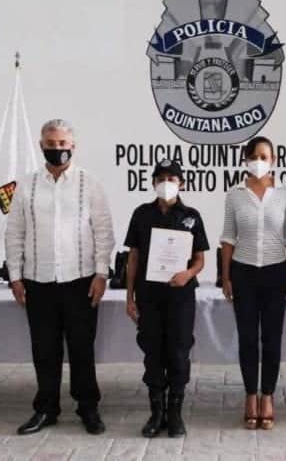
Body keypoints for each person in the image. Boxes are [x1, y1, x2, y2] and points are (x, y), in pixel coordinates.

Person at [5, 119, 114, 436]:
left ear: (73, 147)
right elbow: (14, 232)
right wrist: (14, 275)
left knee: (82, 349)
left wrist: (102, 273)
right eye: (51, 144)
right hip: (38, 281)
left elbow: (103, 232)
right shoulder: (25, 185)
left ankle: (88, 408)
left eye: (63, 144)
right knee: (44, 350)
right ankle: (46, 409)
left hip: (80, 280)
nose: (57, 150)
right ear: (42, 146)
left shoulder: (89, 183)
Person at [124, 159, 209, 438]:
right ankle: (156, 413)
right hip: (149, 296)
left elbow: (200, 259)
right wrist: (129, 297)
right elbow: (133, 258)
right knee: (153, 353)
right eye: (161, 178)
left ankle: (175, 414)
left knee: (178, 352)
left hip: (180, 296)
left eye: (172, 178)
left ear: (181, 183)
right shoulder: (141, 214)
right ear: (153, 183)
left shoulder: (192, 216)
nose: (166, 183)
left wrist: (188, 274)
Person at [220, 136, 286, 430]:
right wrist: (226, 276)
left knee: (272, 338)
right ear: (245, 159)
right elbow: (228, 237)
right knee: (247, 338)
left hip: (276, 272)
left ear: (274, 160)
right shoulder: (235, 194)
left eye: (264, 156)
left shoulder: (285, 194)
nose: (259, 161)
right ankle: (250, 395)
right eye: (254, 155)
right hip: (243, 272)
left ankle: (268, 395)